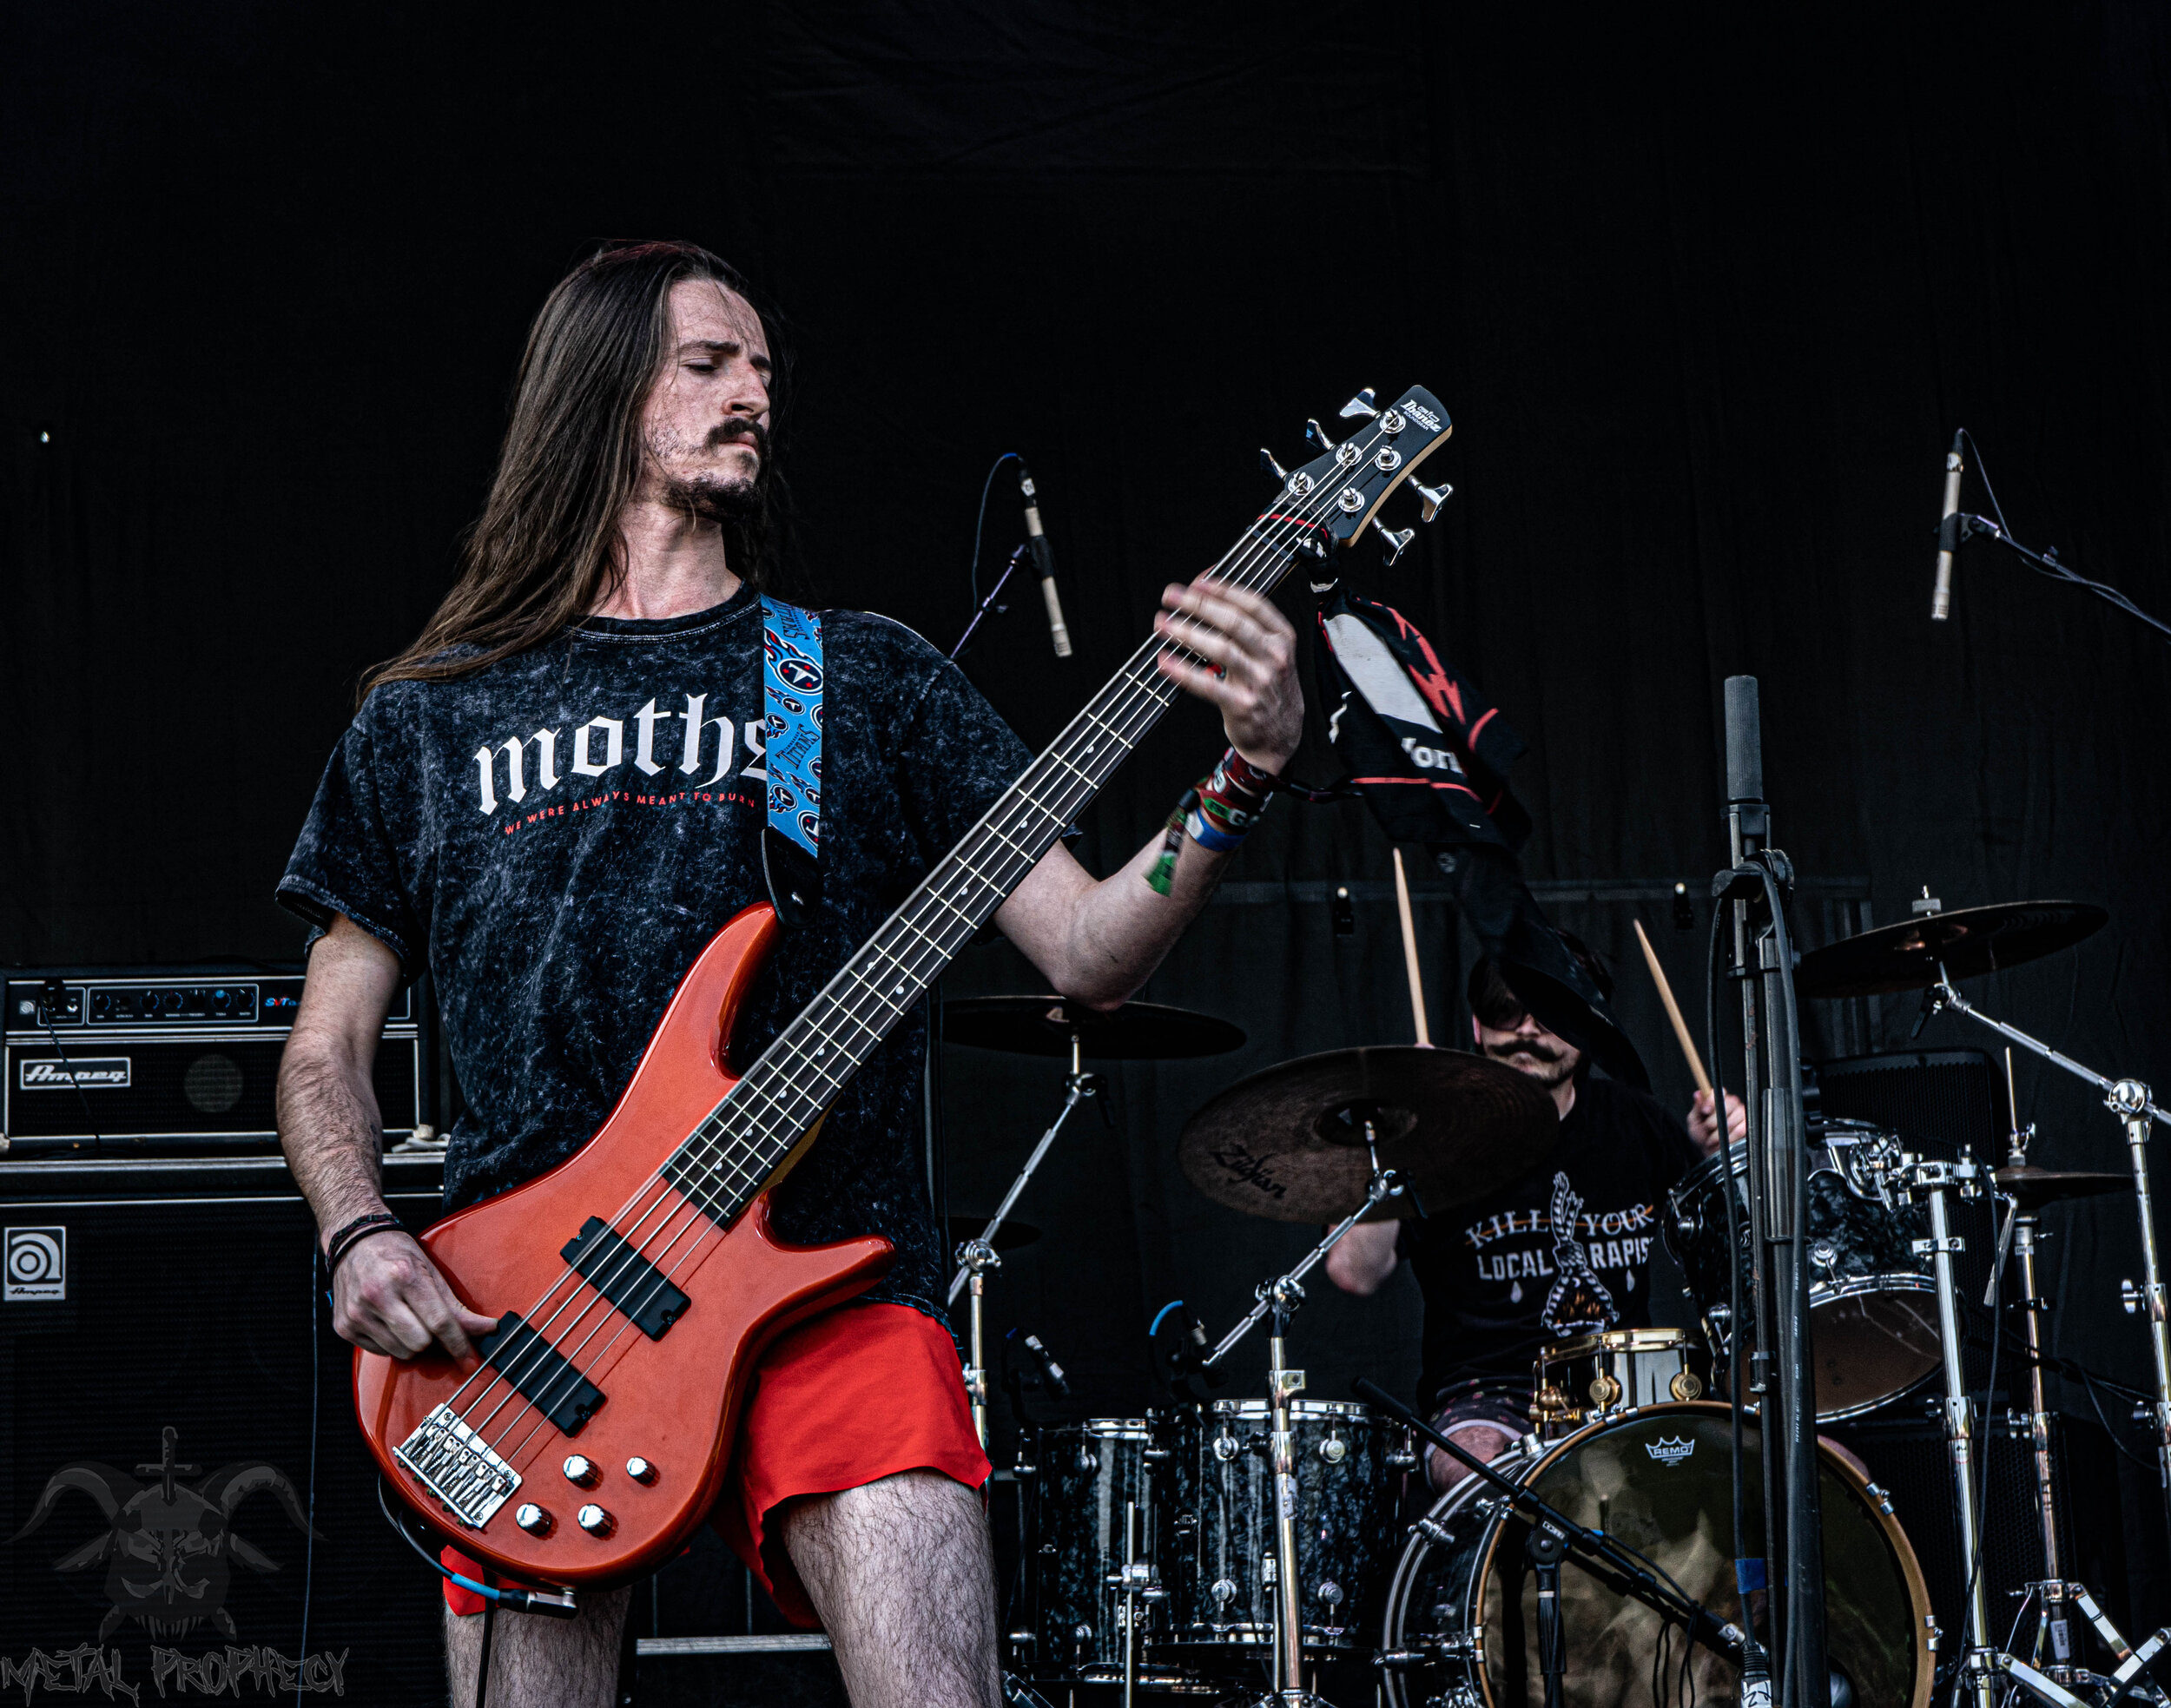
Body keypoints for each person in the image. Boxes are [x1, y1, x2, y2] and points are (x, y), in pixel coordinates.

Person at [273, 241, 1305, 1708]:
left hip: (833, 1281)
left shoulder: (860, 677)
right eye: (709, 364)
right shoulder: (429, 715)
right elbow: (328, 1047)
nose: (753, 391)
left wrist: (1241, 774)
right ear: (601, 394)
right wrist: (358, 1233)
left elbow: (1089, 950)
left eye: (764, 368)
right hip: (530, 1319)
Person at [1325, 940, 1744, 1491]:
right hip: (1488, 1391)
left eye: (1552, 1015)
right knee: (1472, 1465)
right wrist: (1401, 1141)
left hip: (1625, 1378)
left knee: (1790, 1461)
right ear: (1478, 1027)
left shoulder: (1637, 1123)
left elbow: (1734, 1254)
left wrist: (1720, 1161)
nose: (1527, 1030)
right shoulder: (1438, 1135)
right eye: (1506, 1012)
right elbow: (1354, 1271)